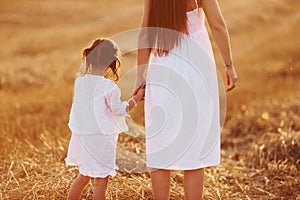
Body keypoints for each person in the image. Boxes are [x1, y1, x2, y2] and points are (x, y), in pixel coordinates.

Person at [133, 0, 238, 199]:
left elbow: (145, 32)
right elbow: (217, 25)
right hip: (196, 67)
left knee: (162, 146)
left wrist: (140, 75)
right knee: (195, 148)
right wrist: (229, 65)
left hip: (163, 67)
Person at [65, 38, 145, 200]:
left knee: (83, 176)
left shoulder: (79, 82)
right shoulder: (108, 87)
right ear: (112, 63)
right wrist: (136, 98)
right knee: (101, 181)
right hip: (101, 140)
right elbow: (120, 110)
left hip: (84, 137)